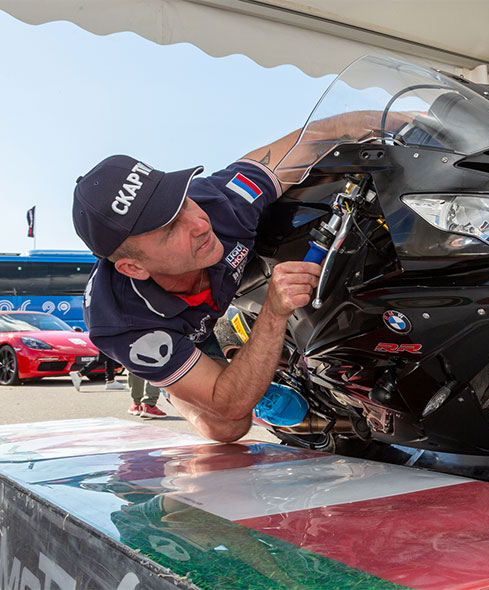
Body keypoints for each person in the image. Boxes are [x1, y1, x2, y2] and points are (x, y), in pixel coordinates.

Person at [72, 132, 321, 443]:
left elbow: (312, 140)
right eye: (169, 228)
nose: (201, 224)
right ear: (134, 268)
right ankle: (176, 389)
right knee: (228, 427)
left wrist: (378, 122)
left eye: (182, 202)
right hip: (184, 335)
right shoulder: (122, 324)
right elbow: (229, 404)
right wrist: (273, 313)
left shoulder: (218, 200)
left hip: (215, 299)